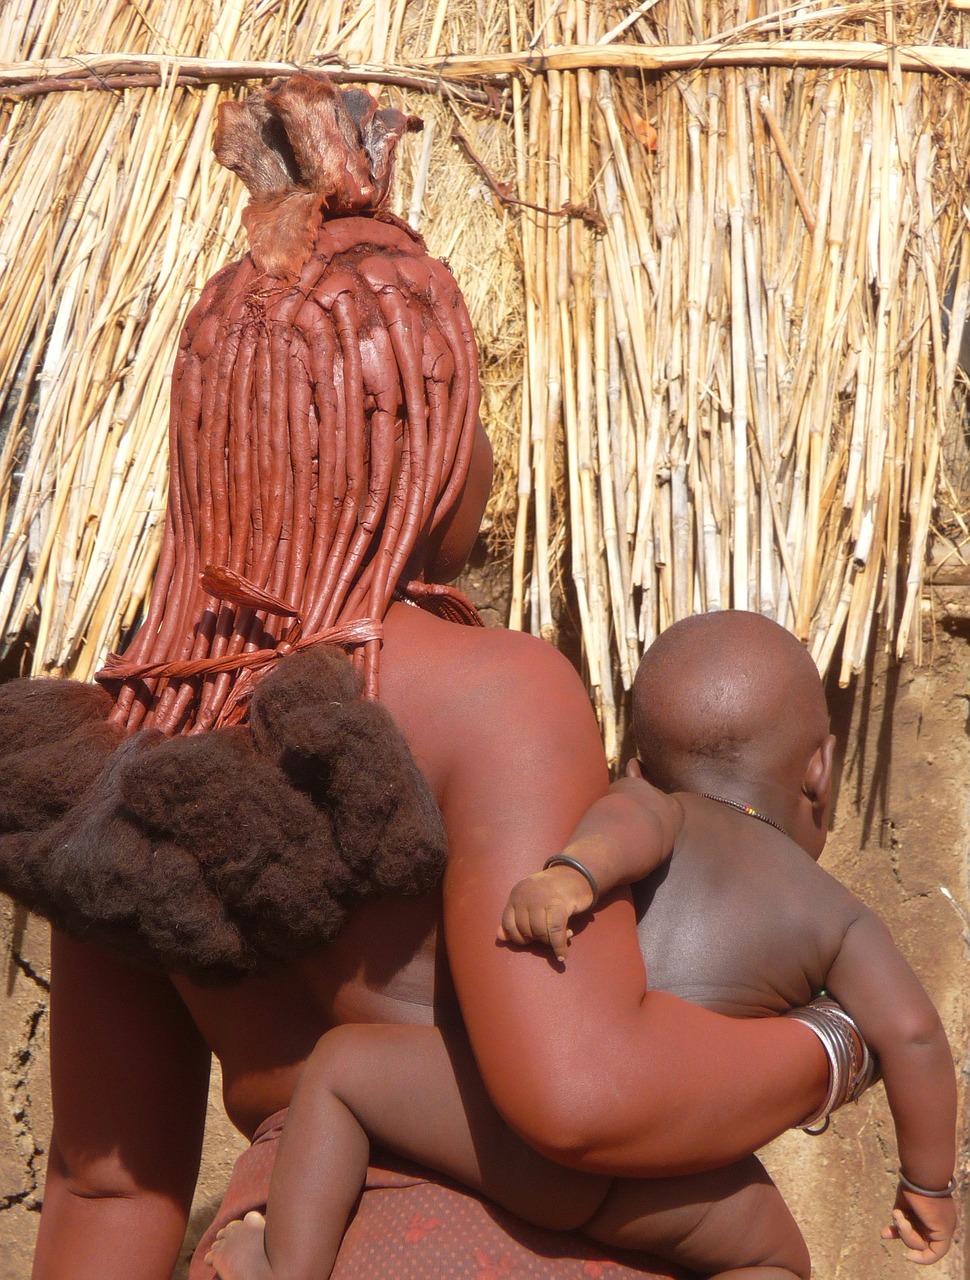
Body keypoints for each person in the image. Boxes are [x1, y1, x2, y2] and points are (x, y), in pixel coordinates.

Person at [26, 79, 844, 1280]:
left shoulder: (129, 734)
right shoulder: (497, 696)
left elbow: (106, 1186)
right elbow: (580, 1096)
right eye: (464, 409)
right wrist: (836, 1044)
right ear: (412, 439)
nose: (487, 457)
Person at [204, 611, 957, 1280]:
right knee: (775, 1259)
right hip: (671, 1188)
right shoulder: (840, 915)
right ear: (820, 770)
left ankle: (283, 1262)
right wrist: (928, 1187)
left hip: (521, 1154)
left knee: (342, 1067)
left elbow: (625, 830)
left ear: (632, 767)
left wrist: (572, 875)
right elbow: (916, 1036)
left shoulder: (652, 807)